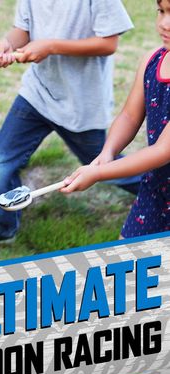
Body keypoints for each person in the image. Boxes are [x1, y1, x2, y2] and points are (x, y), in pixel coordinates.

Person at [0, 0, 140, 256]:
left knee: (105, 166)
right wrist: (8, 44)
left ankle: (158, 191)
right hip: (37, 94)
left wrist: (51, 46)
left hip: (81, 107)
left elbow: (108, 43)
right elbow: (23, 30)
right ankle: (0, 225)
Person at [62, 0, 170, 238]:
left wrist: (100, 174)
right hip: (156, 188)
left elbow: (163, 150)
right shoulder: (152, 60)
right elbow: (130, 116)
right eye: (161, 11)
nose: (164, 23)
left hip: (160, 170)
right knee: (126, 261)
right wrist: (107, 153)